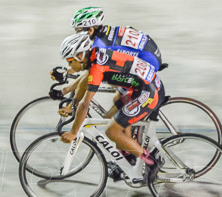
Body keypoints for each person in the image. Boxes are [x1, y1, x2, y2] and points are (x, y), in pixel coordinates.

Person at [58, 32, 164, 174]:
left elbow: (85, 104)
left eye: (70, 61)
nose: (69, 65)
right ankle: (128, 156)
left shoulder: (97, 67)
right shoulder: (95, 56)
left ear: (80, 56)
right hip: (140, 88)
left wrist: (73, 132)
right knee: (110, 118)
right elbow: (84, 81)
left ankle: (152, 162)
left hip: (148, 92)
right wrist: (73, 103)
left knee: (111, 131)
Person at [53, 7, 164, 102]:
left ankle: (123, 124)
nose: (77, 34)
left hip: (148, 63)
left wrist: (65, 90)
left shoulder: (100, 45)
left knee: (117, 100)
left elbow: (88, 70)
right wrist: (66, 72)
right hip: (151, 55)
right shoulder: (105, 32)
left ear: (91, 29)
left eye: (79, 31)